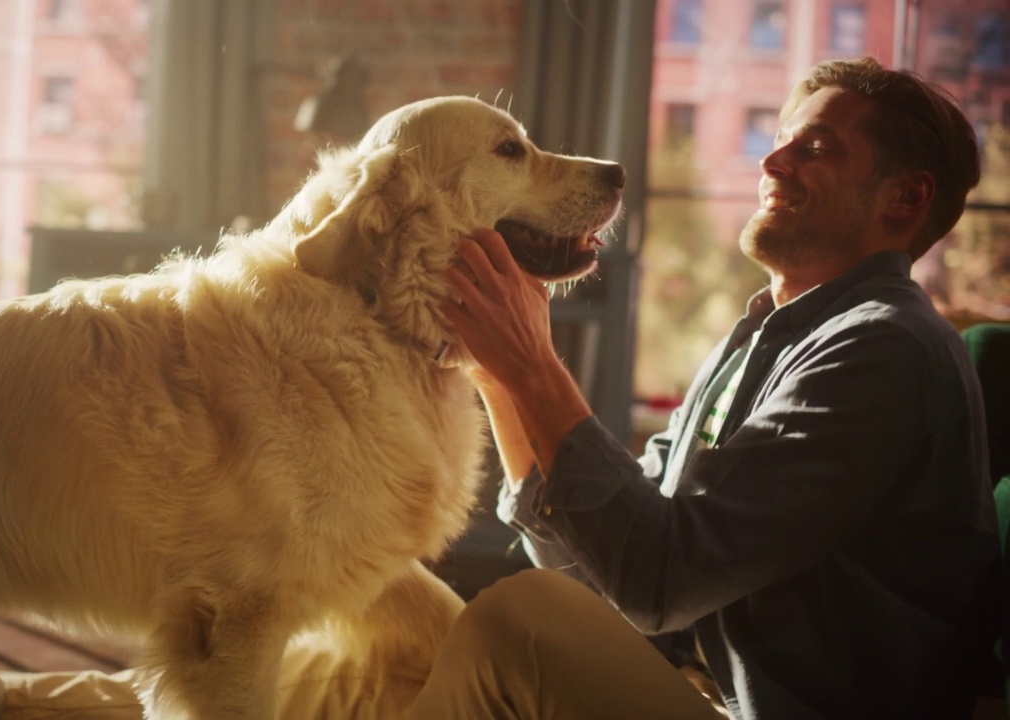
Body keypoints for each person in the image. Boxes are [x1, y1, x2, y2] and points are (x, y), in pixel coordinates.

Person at [413, 56, 1000, 719]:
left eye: (814, 148)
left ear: (905, 199)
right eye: (779, 139)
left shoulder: (886, 351)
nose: (771, 162)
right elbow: (611, 574)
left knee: (520, 620)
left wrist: (534, 366)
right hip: (704, 695)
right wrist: (501, 380)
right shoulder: (760, 336)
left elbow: (655, 580)